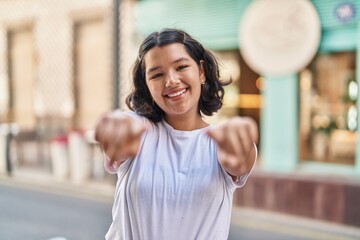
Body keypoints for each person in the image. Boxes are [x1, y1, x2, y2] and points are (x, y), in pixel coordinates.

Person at [95, 28, 258, 240]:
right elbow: (120, 135)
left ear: (200, 71)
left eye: (181, 67)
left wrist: (240, 149)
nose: (171, 81)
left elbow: (239, 162)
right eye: (157, 74)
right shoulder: (138, 130)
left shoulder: (221, 142)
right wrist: (115, 132)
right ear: (147, 84)